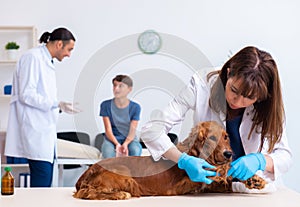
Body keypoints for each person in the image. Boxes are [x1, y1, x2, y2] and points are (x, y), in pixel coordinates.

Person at [140, 46, 292, 187]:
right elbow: (152, 130)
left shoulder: (269, 105)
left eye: (249, 97)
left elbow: (284, 156)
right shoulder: (202, 85)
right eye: (234, 90)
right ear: (228, 73)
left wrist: (260, 161)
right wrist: (182, 160)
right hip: (211, 186)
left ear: (261, 97)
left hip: (254, 190)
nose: (238, 101)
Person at [4, 27, 81, 187]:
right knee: (41, 185)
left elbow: (42, 96)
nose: (69, 54)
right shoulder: (33, 58)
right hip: (35, 131)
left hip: (44, 132)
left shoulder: (46, 60)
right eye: (69, 49)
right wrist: (56, 104)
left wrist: (59, 107)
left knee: (45, 183)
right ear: (59, 44)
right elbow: (27, 94)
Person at [100, 74, 142, 158]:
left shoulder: (135, 107)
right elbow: (108, 130)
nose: (116, 89)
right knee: (108, 153)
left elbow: (132, 131)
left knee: (135, 150)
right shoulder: (105, 105)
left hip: (130, 139)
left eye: (120, 86)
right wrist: (117, 144)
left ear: (129, 89)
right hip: (111, 139)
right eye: (115, 85)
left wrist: (125, 144)